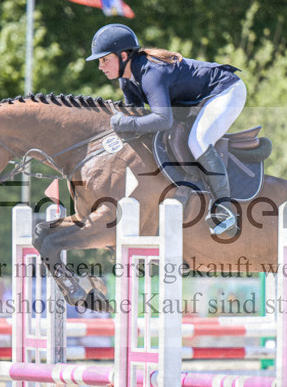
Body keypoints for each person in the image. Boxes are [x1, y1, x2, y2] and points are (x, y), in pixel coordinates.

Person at [86, 23, 247, 236]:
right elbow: (138, 120)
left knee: (197, 141)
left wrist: (124, 123)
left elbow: (163, 120)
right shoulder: (127, 80)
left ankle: (224, 208)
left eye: (104, 59)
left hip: (225, 91)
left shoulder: (152, 73)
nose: (100, 66)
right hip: (196, 102)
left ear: (123, 56)